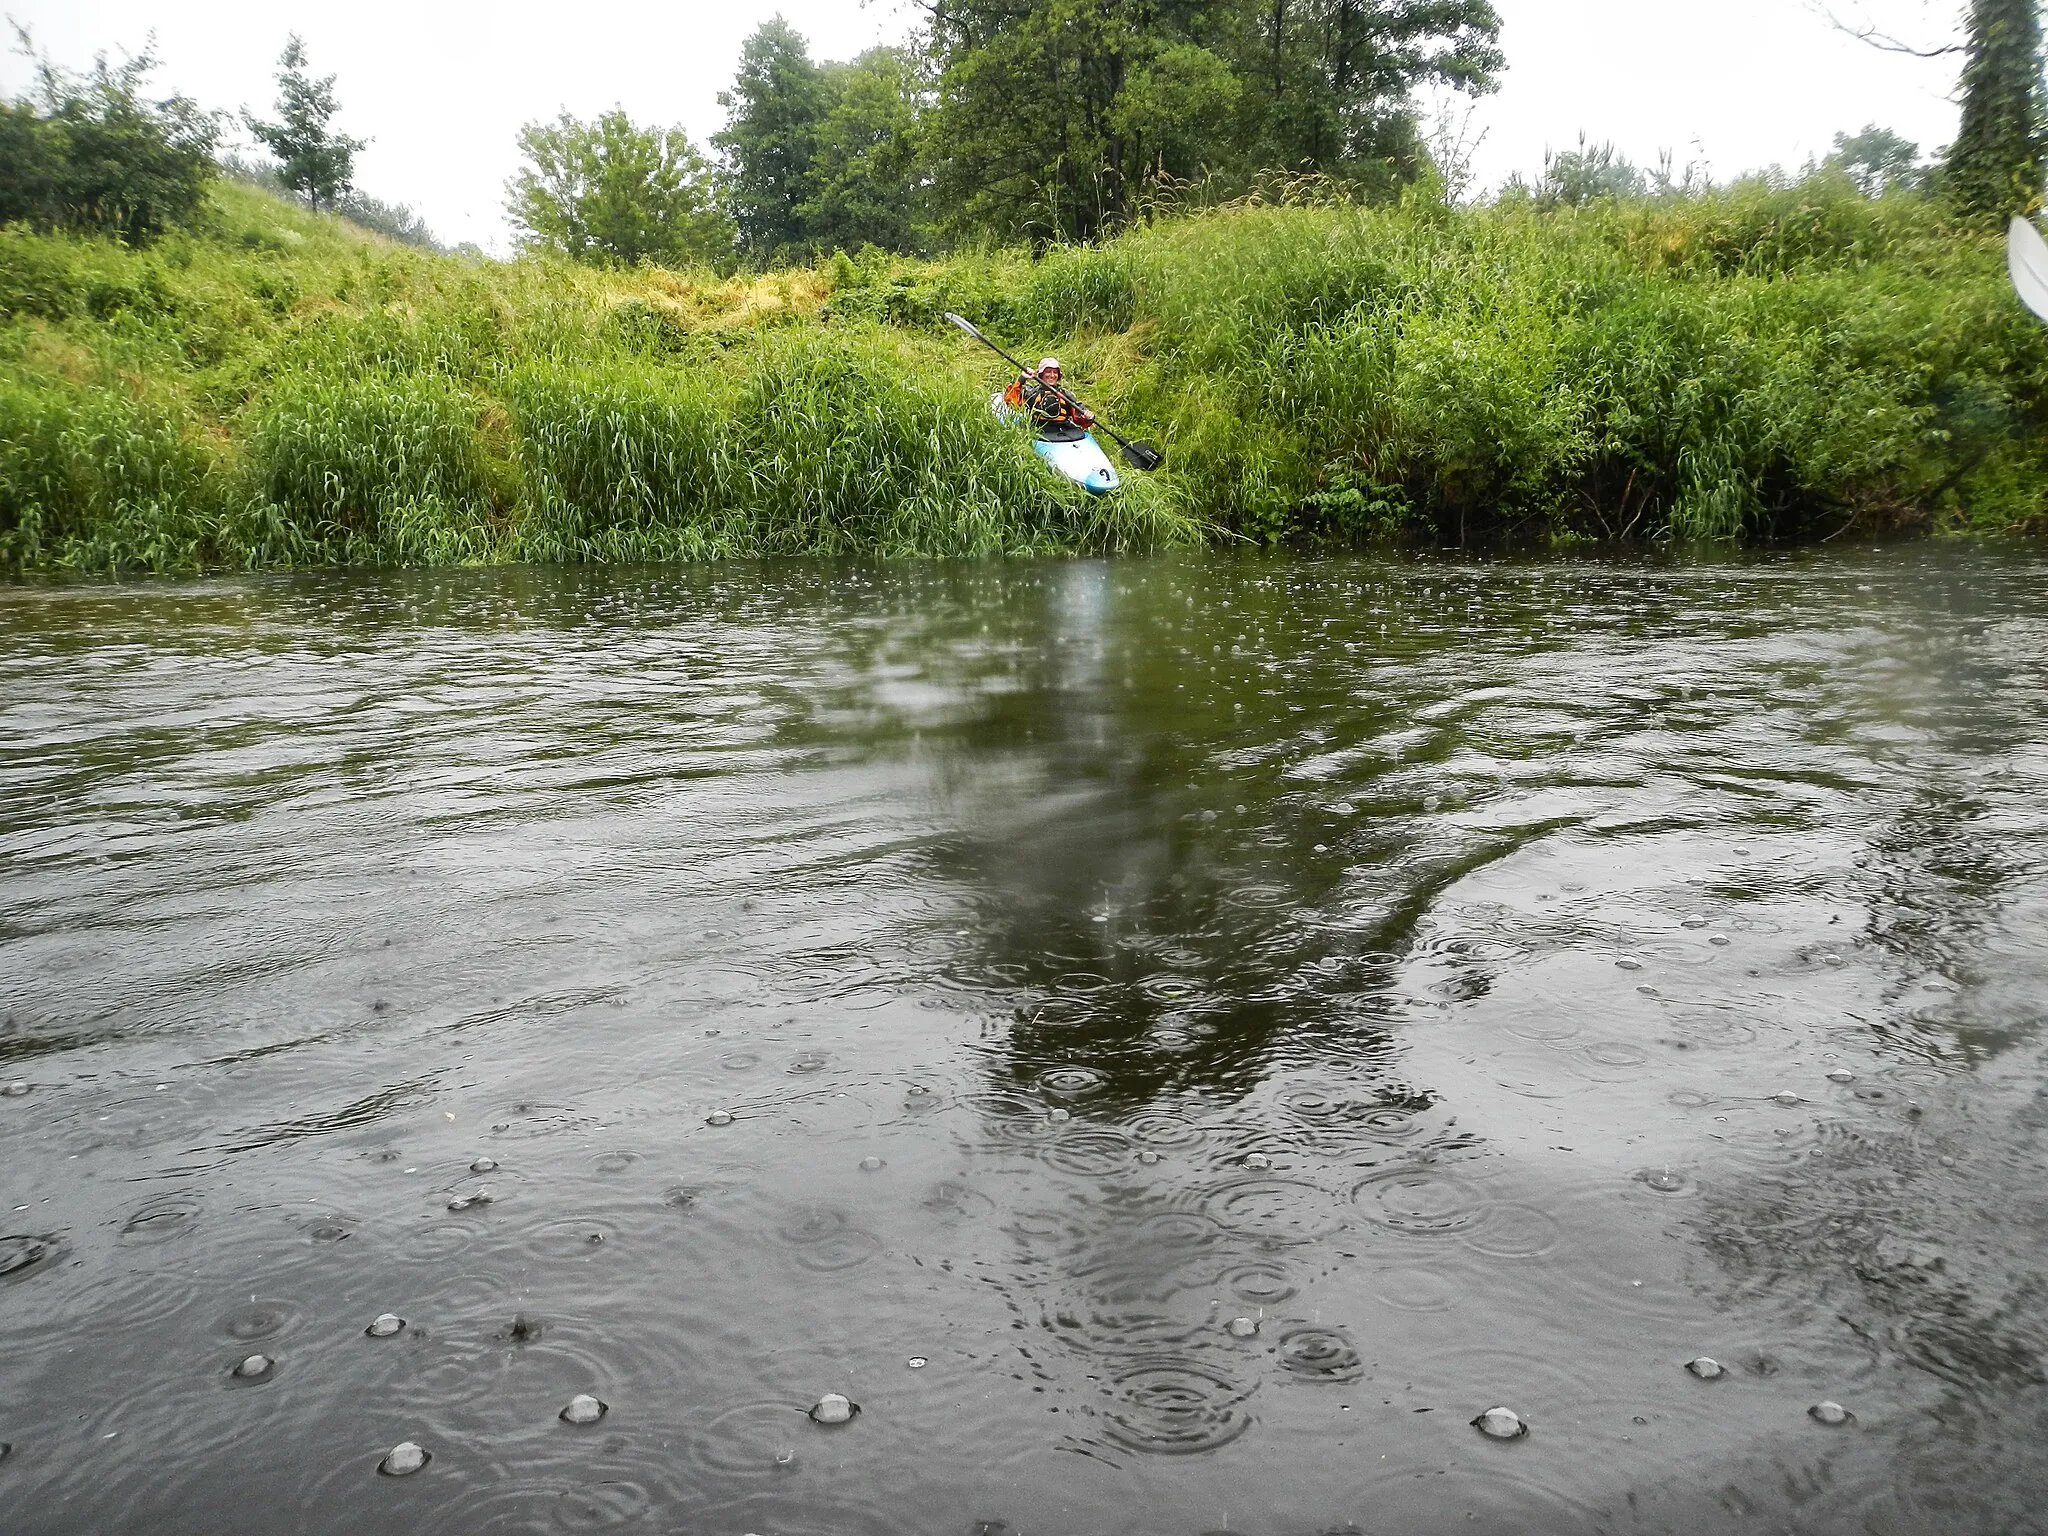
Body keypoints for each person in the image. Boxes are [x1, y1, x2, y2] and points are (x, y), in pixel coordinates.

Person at [1004, 358, 1094, 437]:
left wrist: (1087, 416)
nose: (1052, 375)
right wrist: (1022, 378)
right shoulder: (1033, 394)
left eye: (1055, 372)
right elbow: (1011, 401)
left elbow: (1079, 415)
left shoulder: (1065, 395)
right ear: (1041, 374)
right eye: (1048, 372)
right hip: (1040, 428)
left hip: (1062, 429)